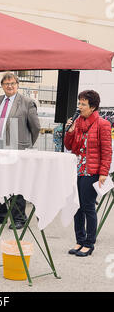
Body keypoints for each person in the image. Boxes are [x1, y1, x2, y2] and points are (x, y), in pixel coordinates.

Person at [0, 72, 41, 229]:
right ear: (2, 85)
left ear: (18, 85)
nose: (9, 86)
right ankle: (0, 215)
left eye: (12, 83)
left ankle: (19, 218)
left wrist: (26, 145)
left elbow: (35, 127)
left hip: (18, 149)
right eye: (6, 83)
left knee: (17, 184)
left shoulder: (27, 102)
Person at [65, 90, 112, 257]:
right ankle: (79, 240)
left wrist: (103, 173)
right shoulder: (77, 123)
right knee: (76, 207)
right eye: (79, 103)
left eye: (83, 104)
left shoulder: (103, 124)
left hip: (91, 171)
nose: (79, 106)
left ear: (92, 107)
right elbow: (70, 146)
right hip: (76, 170)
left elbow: (107, 151)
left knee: (88, 207)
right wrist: (69, 131)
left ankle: (89, 243)